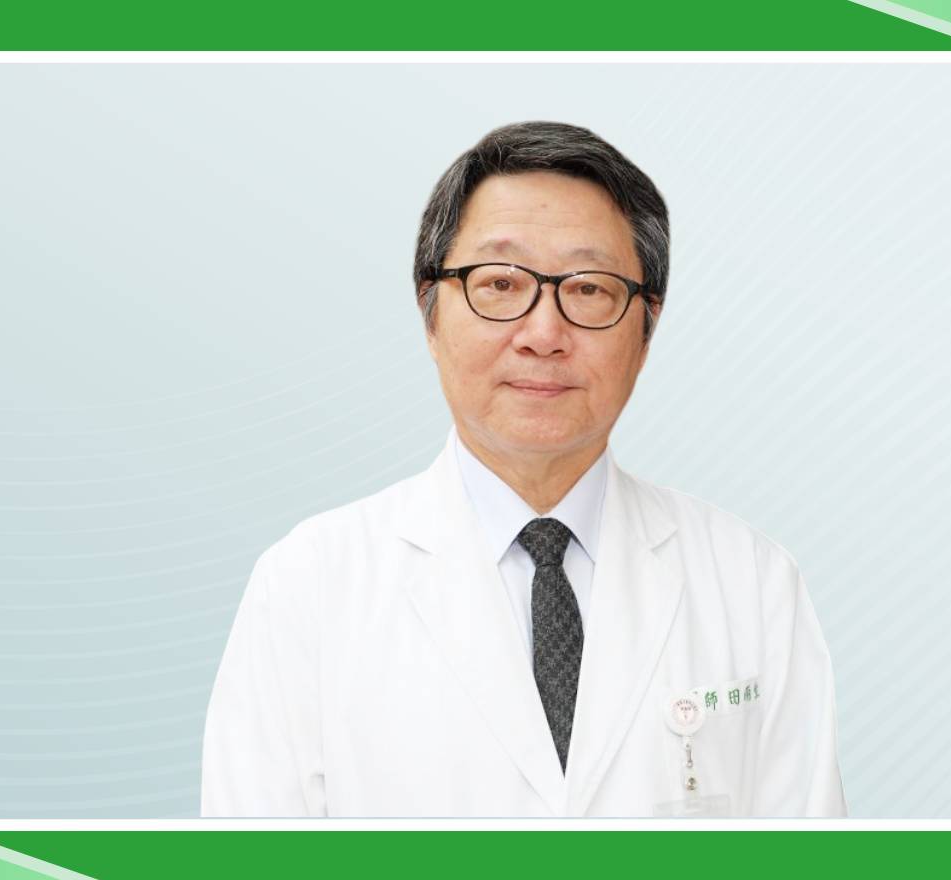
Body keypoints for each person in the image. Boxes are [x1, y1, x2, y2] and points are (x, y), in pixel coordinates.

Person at [201, 121, 843, 817]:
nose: (543, 334)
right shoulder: (308, 587)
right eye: (500, 284)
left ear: (647, 326)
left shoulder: (751, 583)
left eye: (589, 289)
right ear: (429, 312)